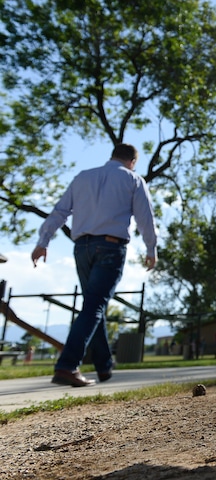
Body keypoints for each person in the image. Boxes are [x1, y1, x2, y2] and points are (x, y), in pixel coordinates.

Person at [31, 143, 157, 387]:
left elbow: (59, 211)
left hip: (81, 248)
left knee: (92, 304)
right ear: (132, 161)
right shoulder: (133, 179)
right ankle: (67, 365)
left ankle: (104, 366)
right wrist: (151, 248)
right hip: (110, 248)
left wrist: (43, 241)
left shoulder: (83, 177)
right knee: (94, 306)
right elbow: (145, 218)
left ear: (112, 156)